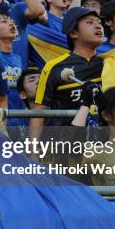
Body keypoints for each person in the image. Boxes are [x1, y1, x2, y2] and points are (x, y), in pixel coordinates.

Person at [31, 7, 104, 138]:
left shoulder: (111, 62)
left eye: (99, 22)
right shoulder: (54, 67)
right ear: (74, 33)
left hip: (107, 146)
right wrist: (32, 151)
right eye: (90, 22)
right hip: (68, 146)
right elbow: (39, 112)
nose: (98, 26)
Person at [0, 11, 27, 134]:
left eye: (12, 20)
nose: (11, 23)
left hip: (20, 118)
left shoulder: (17, 58)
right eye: (4, 21)